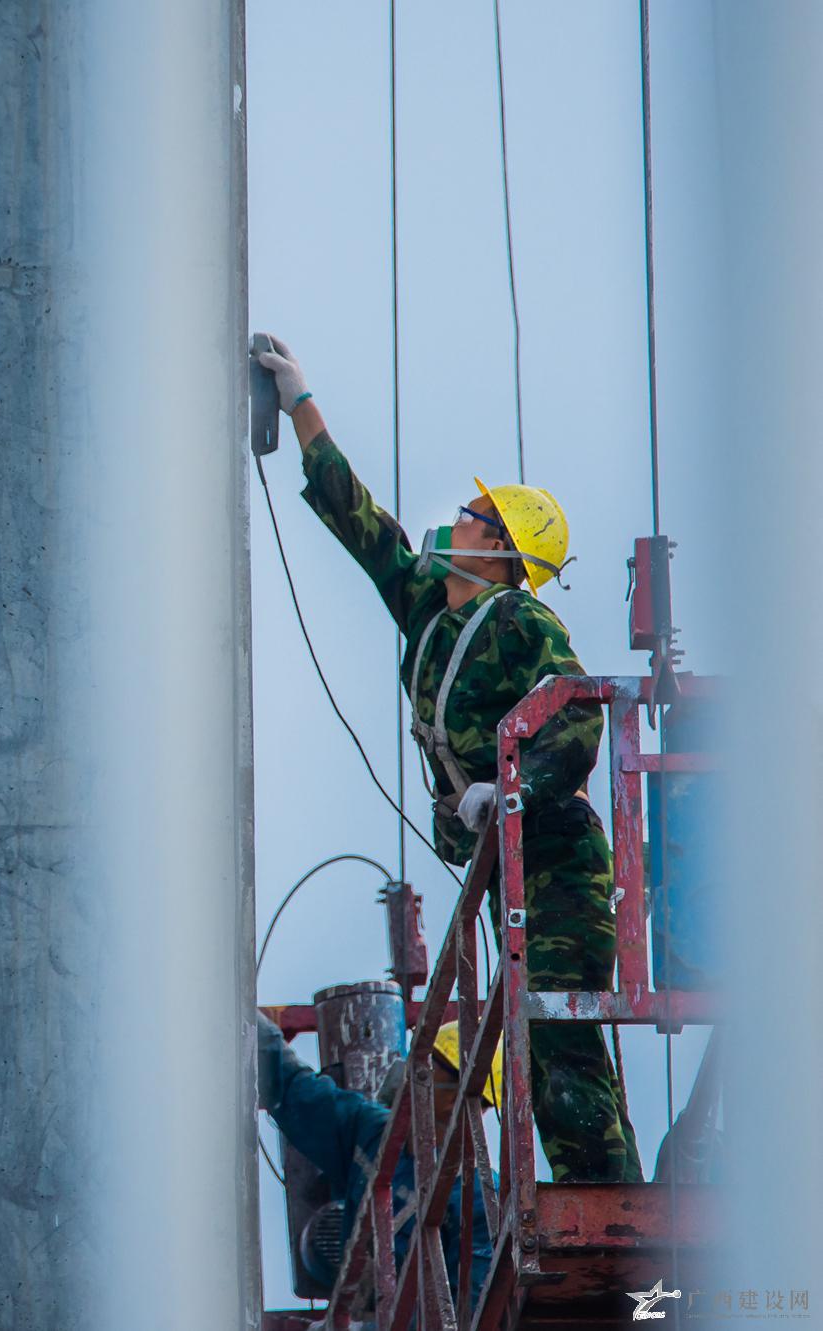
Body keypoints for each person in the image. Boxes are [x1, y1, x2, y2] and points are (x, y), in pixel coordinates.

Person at [257, 337, 642, 1184]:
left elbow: (579, 718)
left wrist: (509, 791)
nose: (457, 518)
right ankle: (603, 1198)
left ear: (500, 548)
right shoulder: (432, 611)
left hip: (558, 860)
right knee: (541, 1039)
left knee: (561, 1049)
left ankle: (608, 1210)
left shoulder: (518, 621)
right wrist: (300, 404)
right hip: (509, 866)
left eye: (474, 514)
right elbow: (364, 526)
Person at [258, 1013, 496, 1311]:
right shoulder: (372, 1133)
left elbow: (473, 1306)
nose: (410, 1072)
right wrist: (244, 1015)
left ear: (454, 1099)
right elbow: (293, 1087)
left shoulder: (477, 1196)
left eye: (428, 1066)